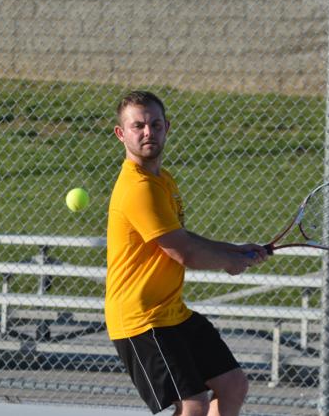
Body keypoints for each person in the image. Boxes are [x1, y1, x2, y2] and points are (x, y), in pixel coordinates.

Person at [105, 90, 268, 416]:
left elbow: (177, 235)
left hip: (171, 312)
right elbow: (182, 252)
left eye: (155, 124)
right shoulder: (138, 189)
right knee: (193, 404)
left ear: (167, 127)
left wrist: (232, 250)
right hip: (141, 319)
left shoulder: (163, 181)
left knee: (232, 384)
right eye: (138, 126)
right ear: (121, 134)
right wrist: (229, 263)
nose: (148, 132)